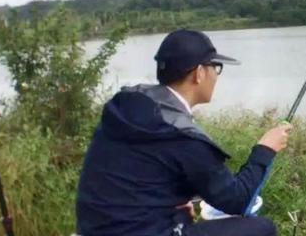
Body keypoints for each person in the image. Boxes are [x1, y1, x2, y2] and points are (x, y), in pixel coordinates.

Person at [76, 29, 293, 236]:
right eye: (215, 67)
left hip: (95, 228)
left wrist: (173, 204)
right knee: (262, 228)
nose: (216, 76)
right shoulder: (182, 135)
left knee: (183, 213)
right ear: (199, 73)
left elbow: (142, 172)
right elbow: (238, 200)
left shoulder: (126, 108)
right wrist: (265, 149)